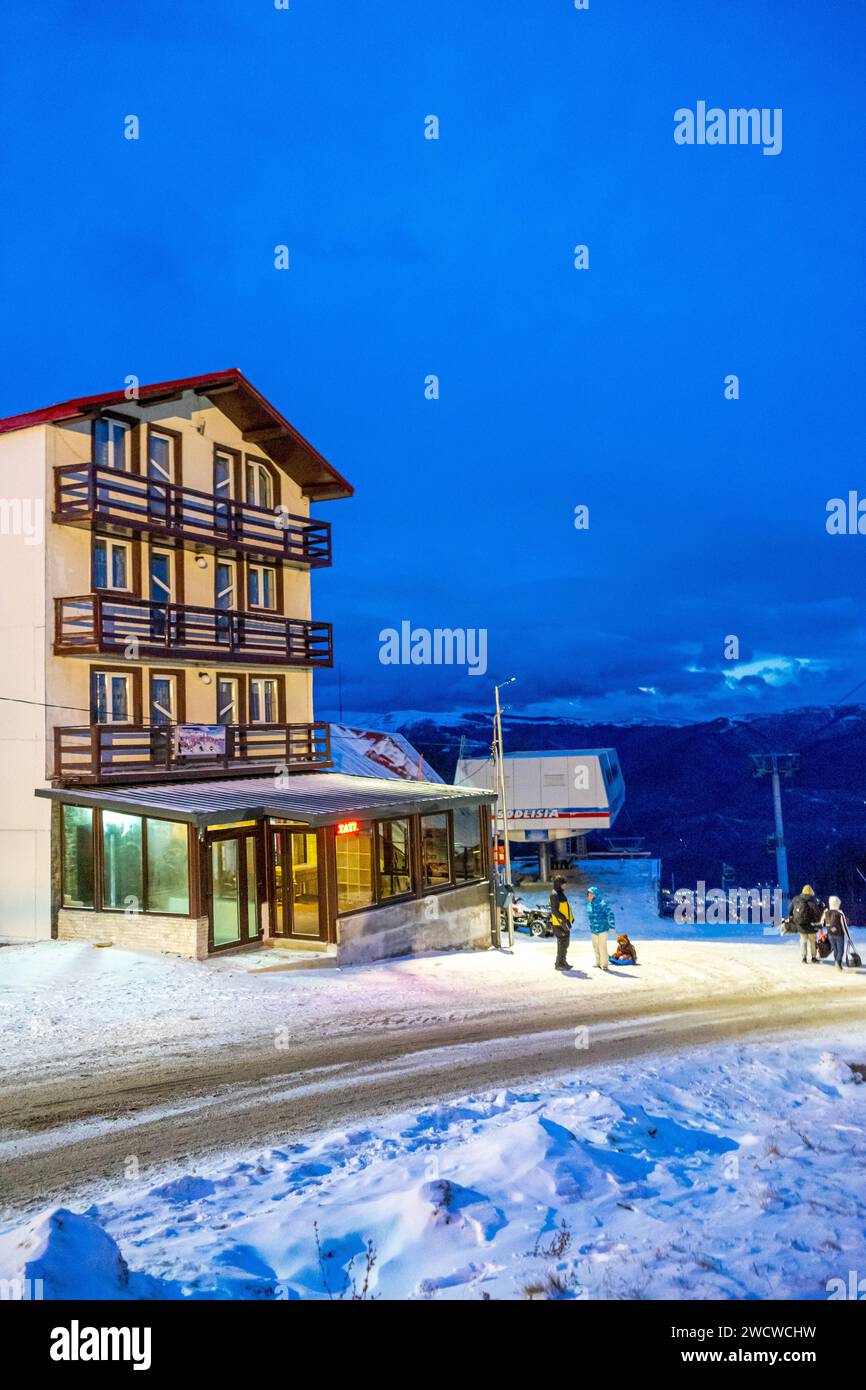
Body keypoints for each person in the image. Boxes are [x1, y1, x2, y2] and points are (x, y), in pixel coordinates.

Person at [789, 883, 822, 963]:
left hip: (801, 925)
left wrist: (792, 917)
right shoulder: (814, 900)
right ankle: (813, 958)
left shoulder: (796, 899)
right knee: (812, 942)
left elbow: (790, 909)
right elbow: (818, 913)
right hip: (811, 926)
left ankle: (804, 958)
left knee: (803, 941)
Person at [549, 875, 574, 971]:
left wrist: (568, 920)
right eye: (564, 884)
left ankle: (563, 961)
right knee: (562, 943)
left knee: (565, 943)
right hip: (559, 924)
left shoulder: (560, 893)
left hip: (564, 923)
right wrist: (564, 920)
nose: (565, 886)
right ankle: (559, 963)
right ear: (559, 884)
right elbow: (554, 911)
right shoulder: (554, 894)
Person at [586, 885, 612, 971]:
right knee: (595, 946)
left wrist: (611, 926)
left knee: (602, 947)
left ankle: (604, 964)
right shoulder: (589, 905)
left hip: (602, 929)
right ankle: (598, 962)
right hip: (594, 929)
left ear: (595, 895)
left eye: (590, 894)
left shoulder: (602, 903)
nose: (588, 896)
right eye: (588, 894)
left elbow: (610, 914)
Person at [819, 895, 849, 972]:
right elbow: (844, 925)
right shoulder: (840, 913)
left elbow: (822, 923)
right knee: (840, 950)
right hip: (839, 935)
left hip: (830, 935)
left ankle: (837, 962)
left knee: (835, 950)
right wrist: (848, 936)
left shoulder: (826, 912)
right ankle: (838, 963)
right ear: (838, 904)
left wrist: (822, 932)